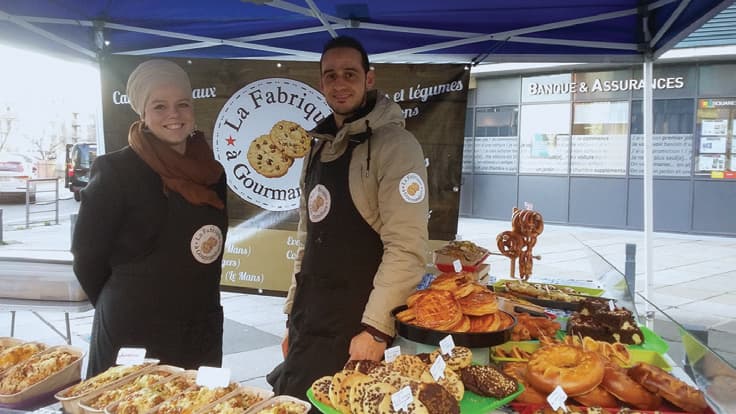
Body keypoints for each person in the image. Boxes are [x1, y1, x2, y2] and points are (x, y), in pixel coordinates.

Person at [268, 36, 429, 399]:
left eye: (350, 74)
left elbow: (407, 247)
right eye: (331, 75)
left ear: (369, 79)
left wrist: (376, 328)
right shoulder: (317, 146)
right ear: (321, 82)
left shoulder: (396, 147)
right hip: (311, 318)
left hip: (357, 323)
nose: (340, 84)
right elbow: (307, 238)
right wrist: (293, 314)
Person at [72, 59, 228, 377]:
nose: (174, 115)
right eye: (160, 106)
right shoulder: (116, 170)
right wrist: (123, 300)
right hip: (134, 327)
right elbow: (87, 257)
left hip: (198, 324)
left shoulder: (212, 172)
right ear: (142, 114)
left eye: (182, 104)